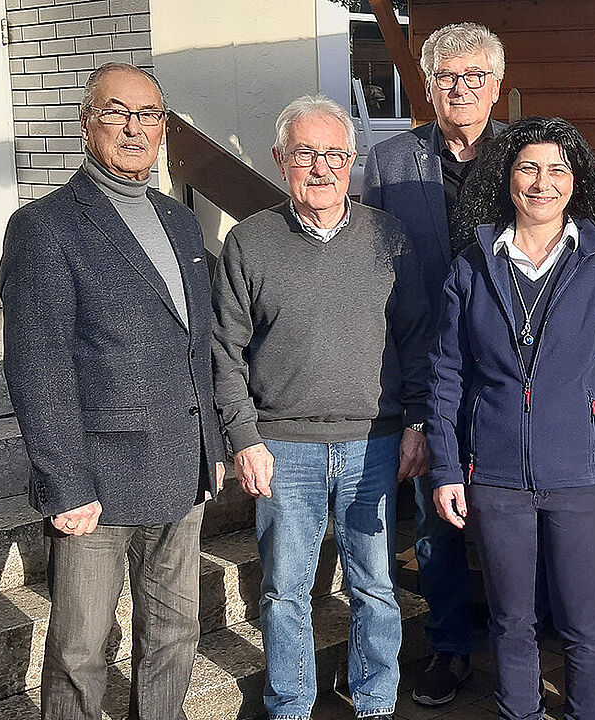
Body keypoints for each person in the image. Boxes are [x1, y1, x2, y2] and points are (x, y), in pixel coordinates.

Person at [0, 62, 225, 720]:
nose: (134, 127)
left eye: (148, 115)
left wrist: (208, 441)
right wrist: (64, 480)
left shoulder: (178, 223)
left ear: (162, 126)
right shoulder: (45, 226)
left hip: (181, 469)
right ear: (85, 124)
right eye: (115, 112)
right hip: (96, 478)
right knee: (79, 650)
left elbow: (195, 344)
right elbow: (37, 364)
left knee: (175, 634)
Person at [211, 95, 432, 720]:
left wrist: (416, 422)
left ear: (353, 160)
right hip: (282, 446)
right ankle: (290, 705)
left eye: (335, 154)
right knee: (285, 591)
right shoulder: (250, 242)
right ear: (281, 160)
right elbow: (223, 351)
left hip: (376, 439)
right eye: (306, 154)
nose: (322, 168)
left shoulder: (390, 239)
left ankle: (375, 703)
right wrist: (243, 437)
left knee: (376, 587)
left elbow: (418, 337)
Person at [425, 116, 595, 720]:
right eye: (528, 167)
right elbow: (448, 374)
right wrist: (447, 470)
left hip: (586, 474)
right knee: (510, 621)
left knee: (586, 624)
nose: (542, 182)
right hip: (494, 475)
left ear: (576, 182)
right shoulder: (473, 265)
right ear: (507, 176)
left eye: (557, 169)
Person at [361, 22, 507, 705]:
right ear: (427, 86)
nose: (461, 88)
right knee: (438, 525)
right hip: (427, 380)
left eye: (476, 75)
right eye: (448, 76)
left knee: (515, 519)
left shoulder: (529, 155)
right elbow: (370, 281)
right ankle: (451, 649)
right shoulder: (390, 164)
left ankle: (519, 647)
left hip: (514, 380)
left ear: (497, 85)